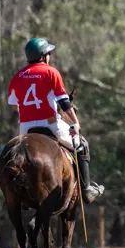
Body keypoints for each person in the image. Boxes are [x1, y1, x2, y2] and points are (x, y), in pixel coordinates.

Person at [7, 37, 103, 203]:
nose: (49, 56)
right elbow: (64, 102)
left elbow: (14, 105)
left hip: (25, 128)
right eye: (48, 53)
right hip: (50, 123)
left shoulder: (17, 76)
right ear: (43, 56)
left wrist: (29, 112)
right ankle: (86, 189)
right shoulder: (51, 72)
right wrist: (75, 123)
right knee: (81, 144)